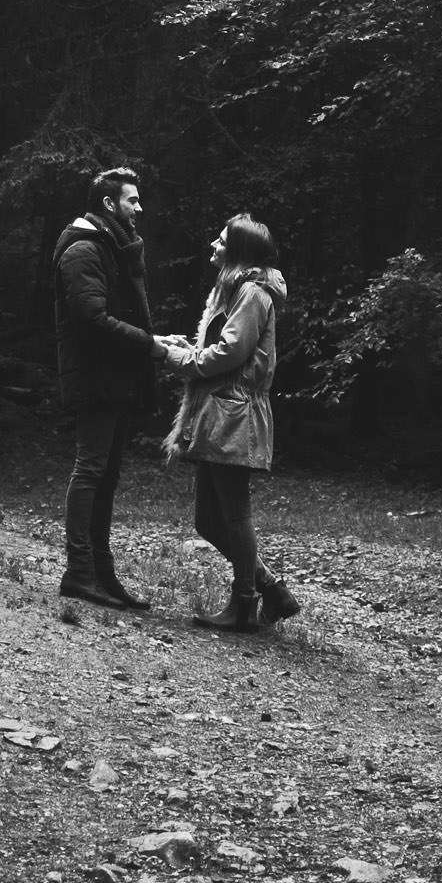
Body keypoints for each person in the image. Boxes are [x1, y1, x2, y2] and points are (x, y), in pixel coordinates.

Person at [164, 213, 301, 634]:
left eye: (221, 241)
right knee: (207, 519)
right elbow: (226, 347)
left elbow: (230, 353)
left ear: (238, 252)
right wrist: (191, 348)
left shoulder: (253, 294)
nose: (213, 245)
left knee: (234, 512)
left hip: (235, 412)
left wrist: (178, 359)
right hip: (222, 409)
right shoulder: (238, 290)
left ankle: (245, 602)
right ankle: (271, 591)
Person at [53, 164, 179, 610]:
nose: (139, 208)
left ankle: (102, 575)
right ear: (109, 204)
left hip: (116, 376)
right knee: (91, 470)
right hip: (96, 377)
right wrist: (151, 346)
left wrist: (154, 341)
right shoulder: (83, 250)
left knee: (106, 475)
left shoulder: (109, 244)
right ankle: (79, 573)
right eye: (132, 200)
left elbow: (117, 315)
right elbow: (91, 321)